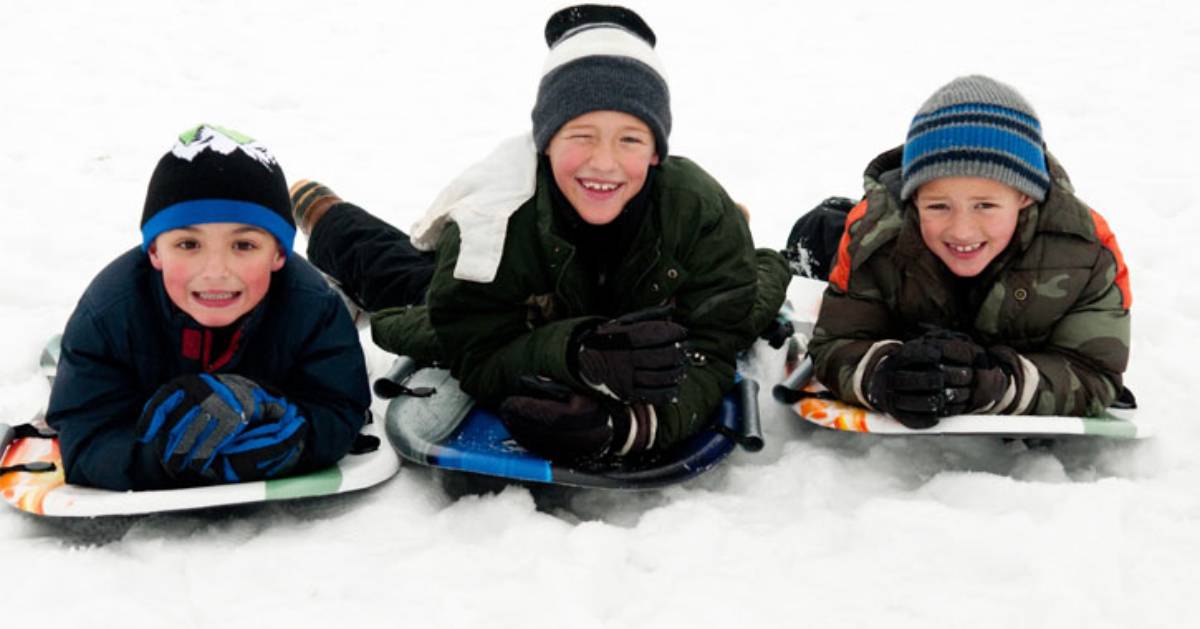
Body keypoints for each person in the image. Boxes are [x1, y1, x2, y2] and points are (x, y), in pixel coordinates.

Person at [296, 4, 790, 461]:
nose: (604, 161)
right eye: (581, 135)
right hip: (517, 301)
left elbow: (714, 345)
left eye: (630, 139)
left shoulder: (696, 210)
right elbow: (477, 348)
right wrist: (573, 354)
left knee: (748, 288)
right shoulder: (496, 217)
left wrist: (630, 426)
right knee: (400, 278)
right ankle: (325, 213)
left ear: (657, 152)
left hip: (661, 266)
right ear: (545, 141)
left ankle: (738, 226)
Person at [46, 125, 371, 490]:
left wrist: (294, 439)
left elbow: (342, 407)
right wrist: (162, 458)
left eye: (244, 245)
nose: (215, 272)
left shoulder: (313, 308)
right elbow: (84, 437)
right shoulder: (108, 314)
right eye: (188, 244)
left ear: (279, 253)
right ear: (154, 251)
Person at [802, 75, 1131, 429]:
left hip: (1010, 359)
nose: (961, 230)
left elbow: (1095, 372)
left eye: (985, 205)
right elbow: (836, 345)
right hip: (881, 259)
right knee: (821, 230)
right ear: (912, 199)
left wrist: (997, 385)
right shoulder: (871, 238)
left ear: (1024, 197)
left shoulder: (1085, 251)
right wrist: (884, 376)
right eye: (938, 206)